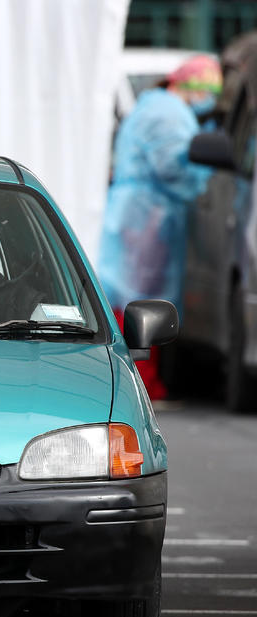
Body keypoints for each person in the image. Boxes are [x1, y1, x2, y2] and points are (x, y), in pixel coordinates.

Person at [98, 54, 220, 400]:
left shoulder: (156, 107)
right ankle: (142, 383)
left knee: (131, 295)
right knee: (141, 301)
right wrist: (201, 176)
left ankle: (142, 383)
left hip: (142, 214)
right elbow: (172, 166)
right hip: (147, 217)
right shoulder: (166, 113)